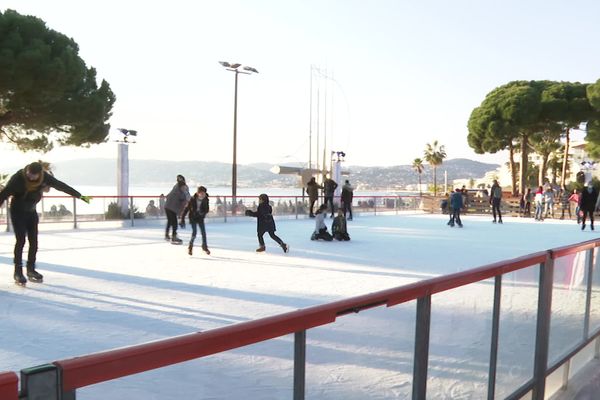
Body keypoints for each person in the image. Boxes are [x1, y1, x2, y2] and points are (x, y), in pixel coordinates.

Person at [0, 161, 90, 284]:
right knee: (21, 240)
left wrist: (81, 196)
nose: (30, 177)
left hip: (31, 211)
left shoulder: (45, 177)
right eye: (29, 174)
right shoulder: (18, 178)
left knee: (34, 241)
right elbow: (4, 194)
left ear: (39, 174)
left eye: (33, 175)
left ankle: (31, 269)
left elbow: (61, 186)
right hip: (17, 212)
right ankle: (18, 272)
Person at [181, 186, 210, 255]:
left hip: (200, 218)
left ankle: (204, 247)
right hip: (193, 218)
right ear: (198, 193)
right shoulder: (192, 199)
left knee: (203, 233)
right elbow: (186, 209)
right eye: (201, 193)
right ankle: (190, 247)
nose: (203, 195)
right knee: (194, 233)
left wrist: (202, 212)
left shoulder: (206, 200)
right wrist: (182, 219)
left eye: (204, 193)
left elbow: (207, 209)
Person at [164, 175, 190, 244]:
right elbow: (186, 199)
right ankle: (174, 237)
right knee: (174, 222)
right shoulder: (179, 190)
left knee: (170, 221)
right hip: (171, 207)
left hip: (168, 206)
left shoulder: (177, 188)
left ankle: (167, 235)